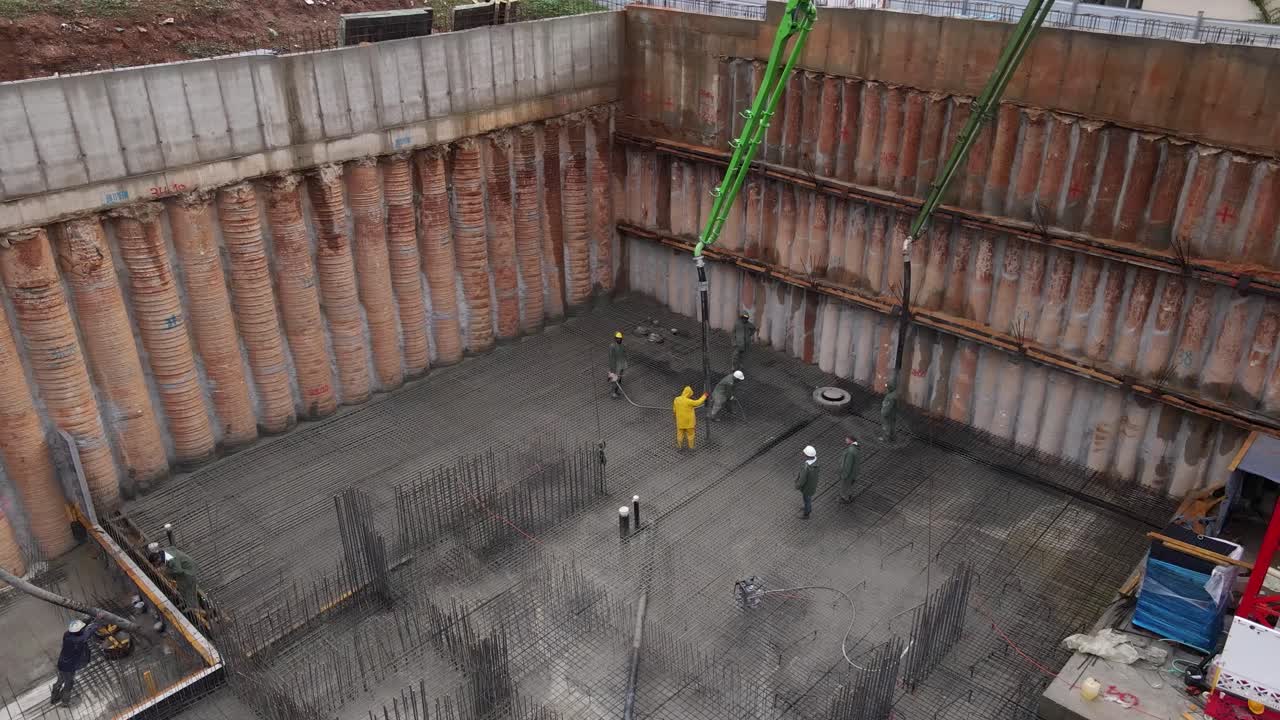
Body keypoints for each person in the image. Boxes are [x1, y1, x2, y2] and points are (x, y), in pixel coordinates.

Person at [51, 612, 104, 706]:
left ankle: (54, 698)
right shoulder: (77, 640)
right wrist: (97, 622)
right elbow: (87, 634)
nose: (83, 629)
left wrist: (92, 618)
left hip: (62, 663)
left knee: (60, 680)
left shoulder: (67, 634)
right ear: (78, 631)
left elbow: (82, 626)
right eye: (81, 629)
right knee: (69, 684)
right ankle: (65, 702)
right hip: (69, 666)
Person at [672, 386, 708, 450]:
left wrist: (675, 415)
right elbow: (698, 402)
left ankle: (679, 446)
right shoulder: (689, 401)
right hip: (689, 422)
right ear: (689, 393)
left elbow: (674, 410)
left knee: (680, 434)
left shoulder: (676, 399)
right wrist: (704, 396)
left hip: (680, 422)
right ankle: (691, 447)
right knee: (690, 434)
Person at [796, 445, 819, 519]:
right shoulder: (816, 463)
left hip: (806, 487)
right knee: (808, 498)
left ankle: (806, 513)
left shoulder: (806, 467)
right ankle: (807, 508)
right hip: (812, 485)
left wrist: (797, 486)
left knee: (807, 499)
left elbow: (802, 479)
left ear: (807, 455)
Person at [837, 436, 861, 504]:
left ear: (851, 440)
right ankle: (849, 495)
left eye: (847, 439)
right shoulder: (856, 448)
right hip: (854, 472)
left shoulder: (850, 451)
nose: (845, 440)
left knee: (845, 486)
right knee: (850, 485)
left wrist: (844, 475)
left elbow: (848, 465)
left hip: (848, 474)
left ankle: (844, 499)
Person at [608, 331, 628, 399]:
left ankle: (616, 391)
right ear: (615, 338)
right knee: (615, 380)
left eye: (620, 338)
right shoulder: (612, 346)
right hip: (616, 366)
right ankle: (613, 393)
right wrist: (612, 369)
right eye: (617, 338)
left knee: (619, 379)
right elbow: (611, 358)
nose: (619, 339)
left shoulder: (623, 345)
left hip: (622, 364)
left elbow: (624, 354)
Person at [880, 376, 900, 442]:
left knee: (886, 426)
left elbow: (887, 407)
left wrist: (884, 414)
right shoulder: (894, 394)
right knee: (892, 426)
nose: (886, 389)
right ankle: (892, 437)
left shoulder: (890, 397)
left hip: (888, 414)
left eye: (887, 387)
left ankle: (886, 438)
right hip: (893, 414)